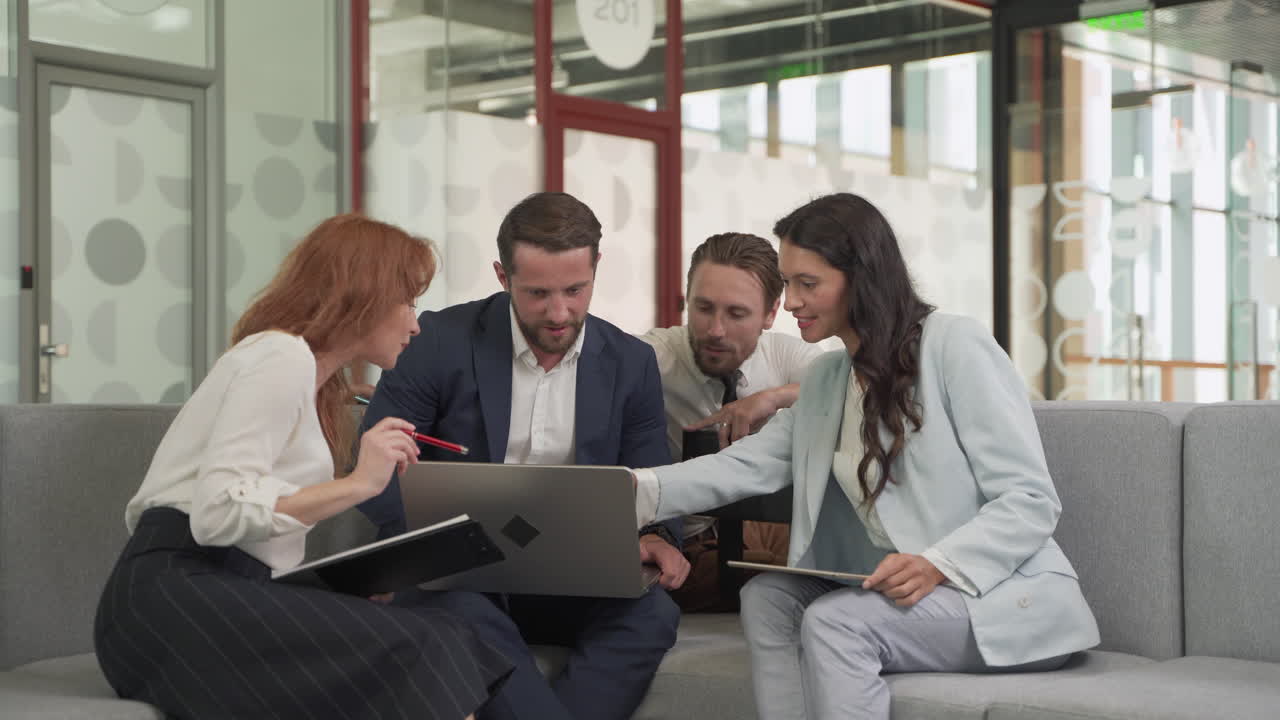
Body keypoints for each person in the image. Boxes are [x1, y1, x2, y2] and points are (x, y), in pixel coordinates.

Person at [634, 193, 1100, 720]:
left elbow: (1030, 499)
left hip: (998, 597)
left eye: (807, 283)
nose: (791, 302)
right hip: (898, 590)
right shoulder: (827, 377)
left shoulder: (954, 344)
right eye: (787, 282)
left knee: (835, 622)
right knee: (768, 598)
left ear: (862, 279)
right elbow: (744, 464)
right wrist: (636, 491)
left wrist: (937, 564)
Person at [93, 214, 512, 720]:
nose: (415, 324)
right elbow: (214, 515)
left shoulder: (311, 382)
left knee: (444, 634)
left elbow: (252, 535)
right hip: (172, 597)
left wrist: (336, 588)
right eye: (408, 302)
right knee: (426, 646)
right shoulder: (281, 355)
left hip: (222, 588)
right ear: (366, 296)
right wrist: (359, 484)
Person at [358, 191, 685, 720]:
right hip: (458, 575)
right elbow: (377, 477)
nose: (559, 313)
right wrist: (434, 546)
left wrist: (656, 535)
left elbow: (655, 478)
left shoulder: (632, 362)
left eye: (575, 290)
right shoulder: (437, 341)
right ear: (502, 276)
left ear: (596, 269)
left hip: (578, 577)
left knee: (651, 614)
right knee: (456, 611)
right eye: (537, 293)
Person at [640, 232, 822, 611]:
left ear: (771, 313)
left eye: (736, 314)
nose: (715, 330)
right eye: (703, 308)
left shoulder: (784, 355)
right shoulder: (651, 358)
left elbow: (858, 385)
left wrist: (772, 398)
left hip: (764, 524)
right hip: (687, 536)